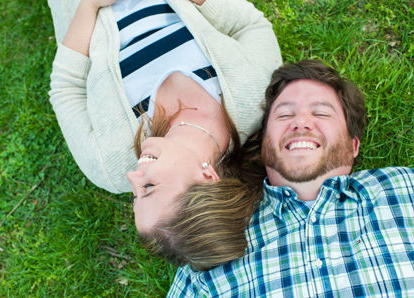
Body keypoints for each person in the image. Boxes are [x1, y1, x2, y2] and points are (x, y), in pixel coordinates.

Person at [47, 0, 282, 269]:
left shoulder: (106, 165)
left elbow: (66, 87)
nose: (132, 177)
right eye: (148, 188)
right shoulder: (254, 97)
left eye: (135, 196)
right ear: (207, 177)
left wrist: (89, 6)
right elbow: (249, 26)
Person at [169, 60, 414, 296]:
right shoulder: (217, 231)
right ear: (264, 143)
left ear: (353, 145)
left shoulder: (404, 188)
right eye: (285, 115)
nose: (301, 122)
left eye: (322, 113)